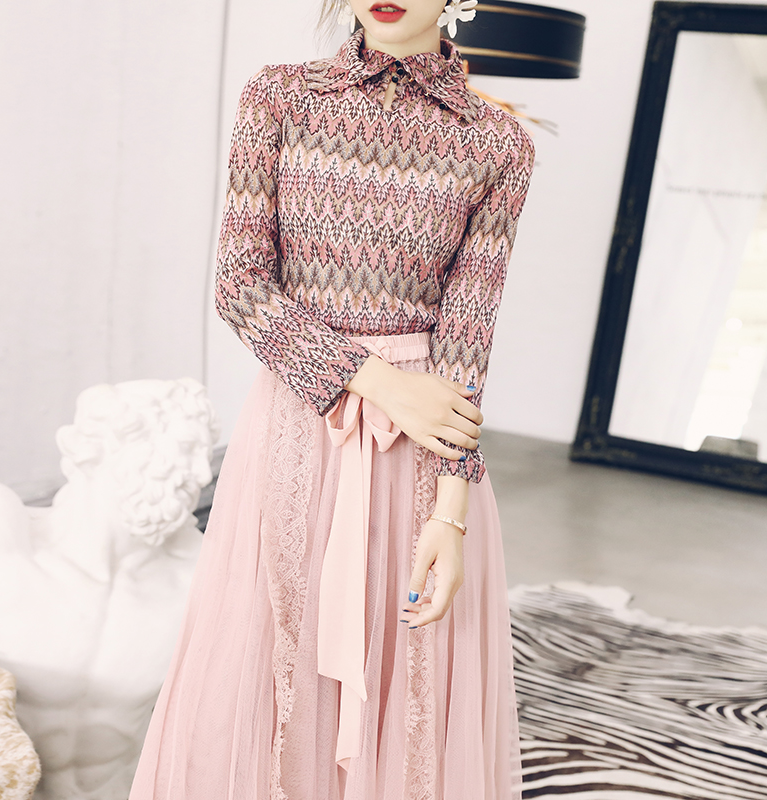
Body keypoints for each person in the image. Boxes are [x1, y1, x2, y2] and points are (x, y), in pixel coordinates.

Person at [129, 1, 534, 797]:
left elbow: (468, 335)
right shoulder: (279, 96)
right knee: (266, 663)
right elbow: (241, 287)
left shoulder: (498, 142)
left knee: (408, 691)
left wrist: (451, 512)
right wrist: (383, 385)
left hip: (424, 454)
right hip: (297, 423)